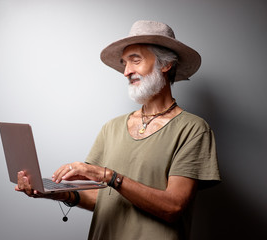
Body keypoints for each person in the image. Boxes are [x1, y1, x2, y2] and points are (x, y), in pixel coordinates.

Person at [15, 20, 221, 240]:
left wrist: (109, 176)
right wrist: (56, 193)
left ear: (166, 64)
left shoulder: (193, 129)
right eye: (124, 63)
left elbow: (173, 207)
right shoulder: (111, 128)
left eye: (136, 60)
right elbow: (101, 199)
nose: (126, 71)